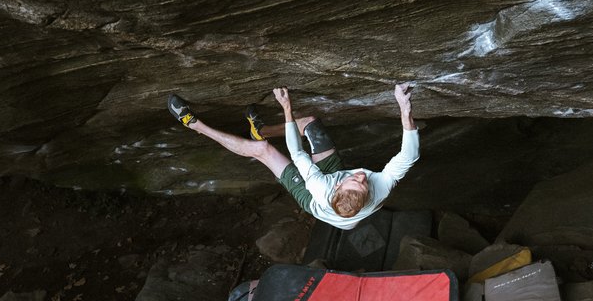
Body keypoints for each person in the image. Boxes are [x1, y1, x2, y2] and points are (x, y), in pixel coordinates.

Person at [167, 84, 419, 230]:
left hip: (313, 202)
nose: (362, 176)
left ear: (338, 184)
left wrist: (286, 107)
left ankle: (195, 125)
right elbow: (409, 154)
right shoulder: (379, 186)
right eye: (362, 181)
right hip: (340, 204)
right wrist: (404, 108)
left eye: (359, 181)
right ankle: (261, 130)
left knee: (264, 151)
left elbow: (297, 154)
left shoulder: (320, 188)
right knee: (309, 124)